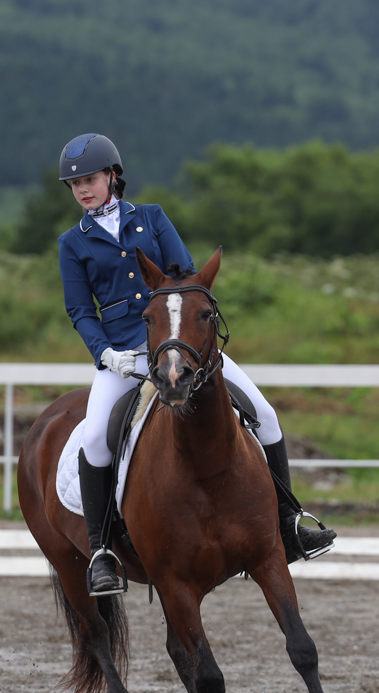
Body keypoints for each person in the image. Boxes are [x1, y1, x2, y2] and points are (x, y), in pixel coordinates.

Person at [56, 133, 335, 596]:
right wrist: (106, 355)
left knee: (264, 414)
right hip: (123, 358)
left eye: (89, 179)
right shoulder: (72, 243)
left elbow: (186, 275)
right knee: (94, 441)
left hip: (180, 343)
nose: (83, 189)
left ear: (112, 176)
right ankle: (103, 551)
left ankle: (290, 525)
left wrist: (180, 338)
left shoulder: (151, 218)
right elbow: (81, 310)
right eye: (74, 184)